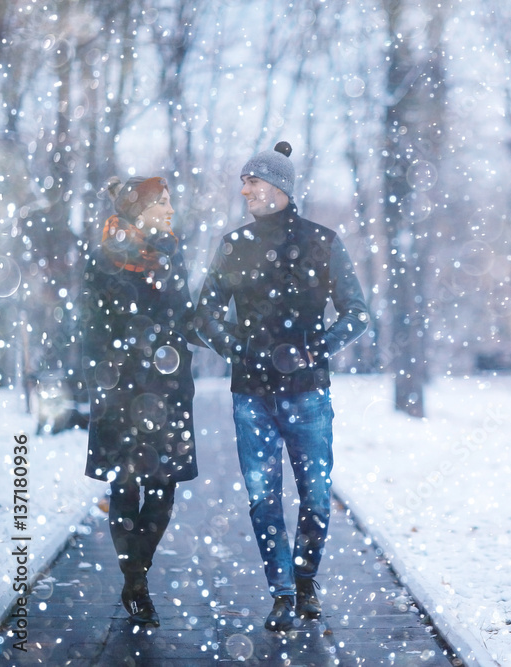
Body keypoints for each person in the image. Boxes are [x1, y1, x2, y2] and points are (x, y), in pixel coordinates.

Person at [195, 142, 369, 632]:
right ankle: (282, 593)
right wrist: (240, 349)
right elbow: (205, 316)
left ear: (279, 186)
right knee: (263, 497)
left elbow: (358, 315)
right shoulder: (233, 245)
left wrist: (316, 349)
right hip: (251, 396)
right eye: (244, 182)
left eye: (253, 180)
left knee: (315, 495)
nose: (245, 189)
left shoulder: (323, 242)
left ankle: (306, 578)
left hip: (309, 394)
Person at [80, 175, 200, 627]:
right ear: (139, 210)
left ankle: (138, 571)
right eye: (163, 202)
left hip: (168, 391)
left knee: (163, 491)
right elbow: (90, 329)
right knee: (125, 490)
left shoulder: (173, 252)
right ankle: (135, 580)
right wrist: (102, 381)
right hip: (121, 392)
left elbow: (185, 316)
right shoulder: (104, 259)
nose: (170, 210)